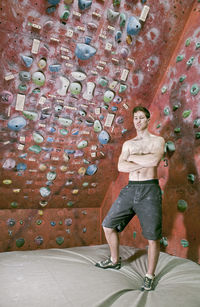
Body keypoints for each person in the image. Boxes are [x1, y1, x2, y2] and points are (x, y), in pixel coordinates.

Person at [95, 106, 165, 291]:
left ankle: (149, 275)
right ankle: (114, 260)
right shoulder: (128, 144)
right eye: (136, 118)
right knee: (107, 225)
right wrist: (139, 160)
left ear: (148, 120)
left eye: (142, 118)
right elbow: (121, 167)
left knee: (153, 237)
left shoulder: (158, 141)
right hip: (130, 188)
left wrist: (132, 159)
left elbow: (154, 161)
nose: (138, 121)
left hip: (149, 189)